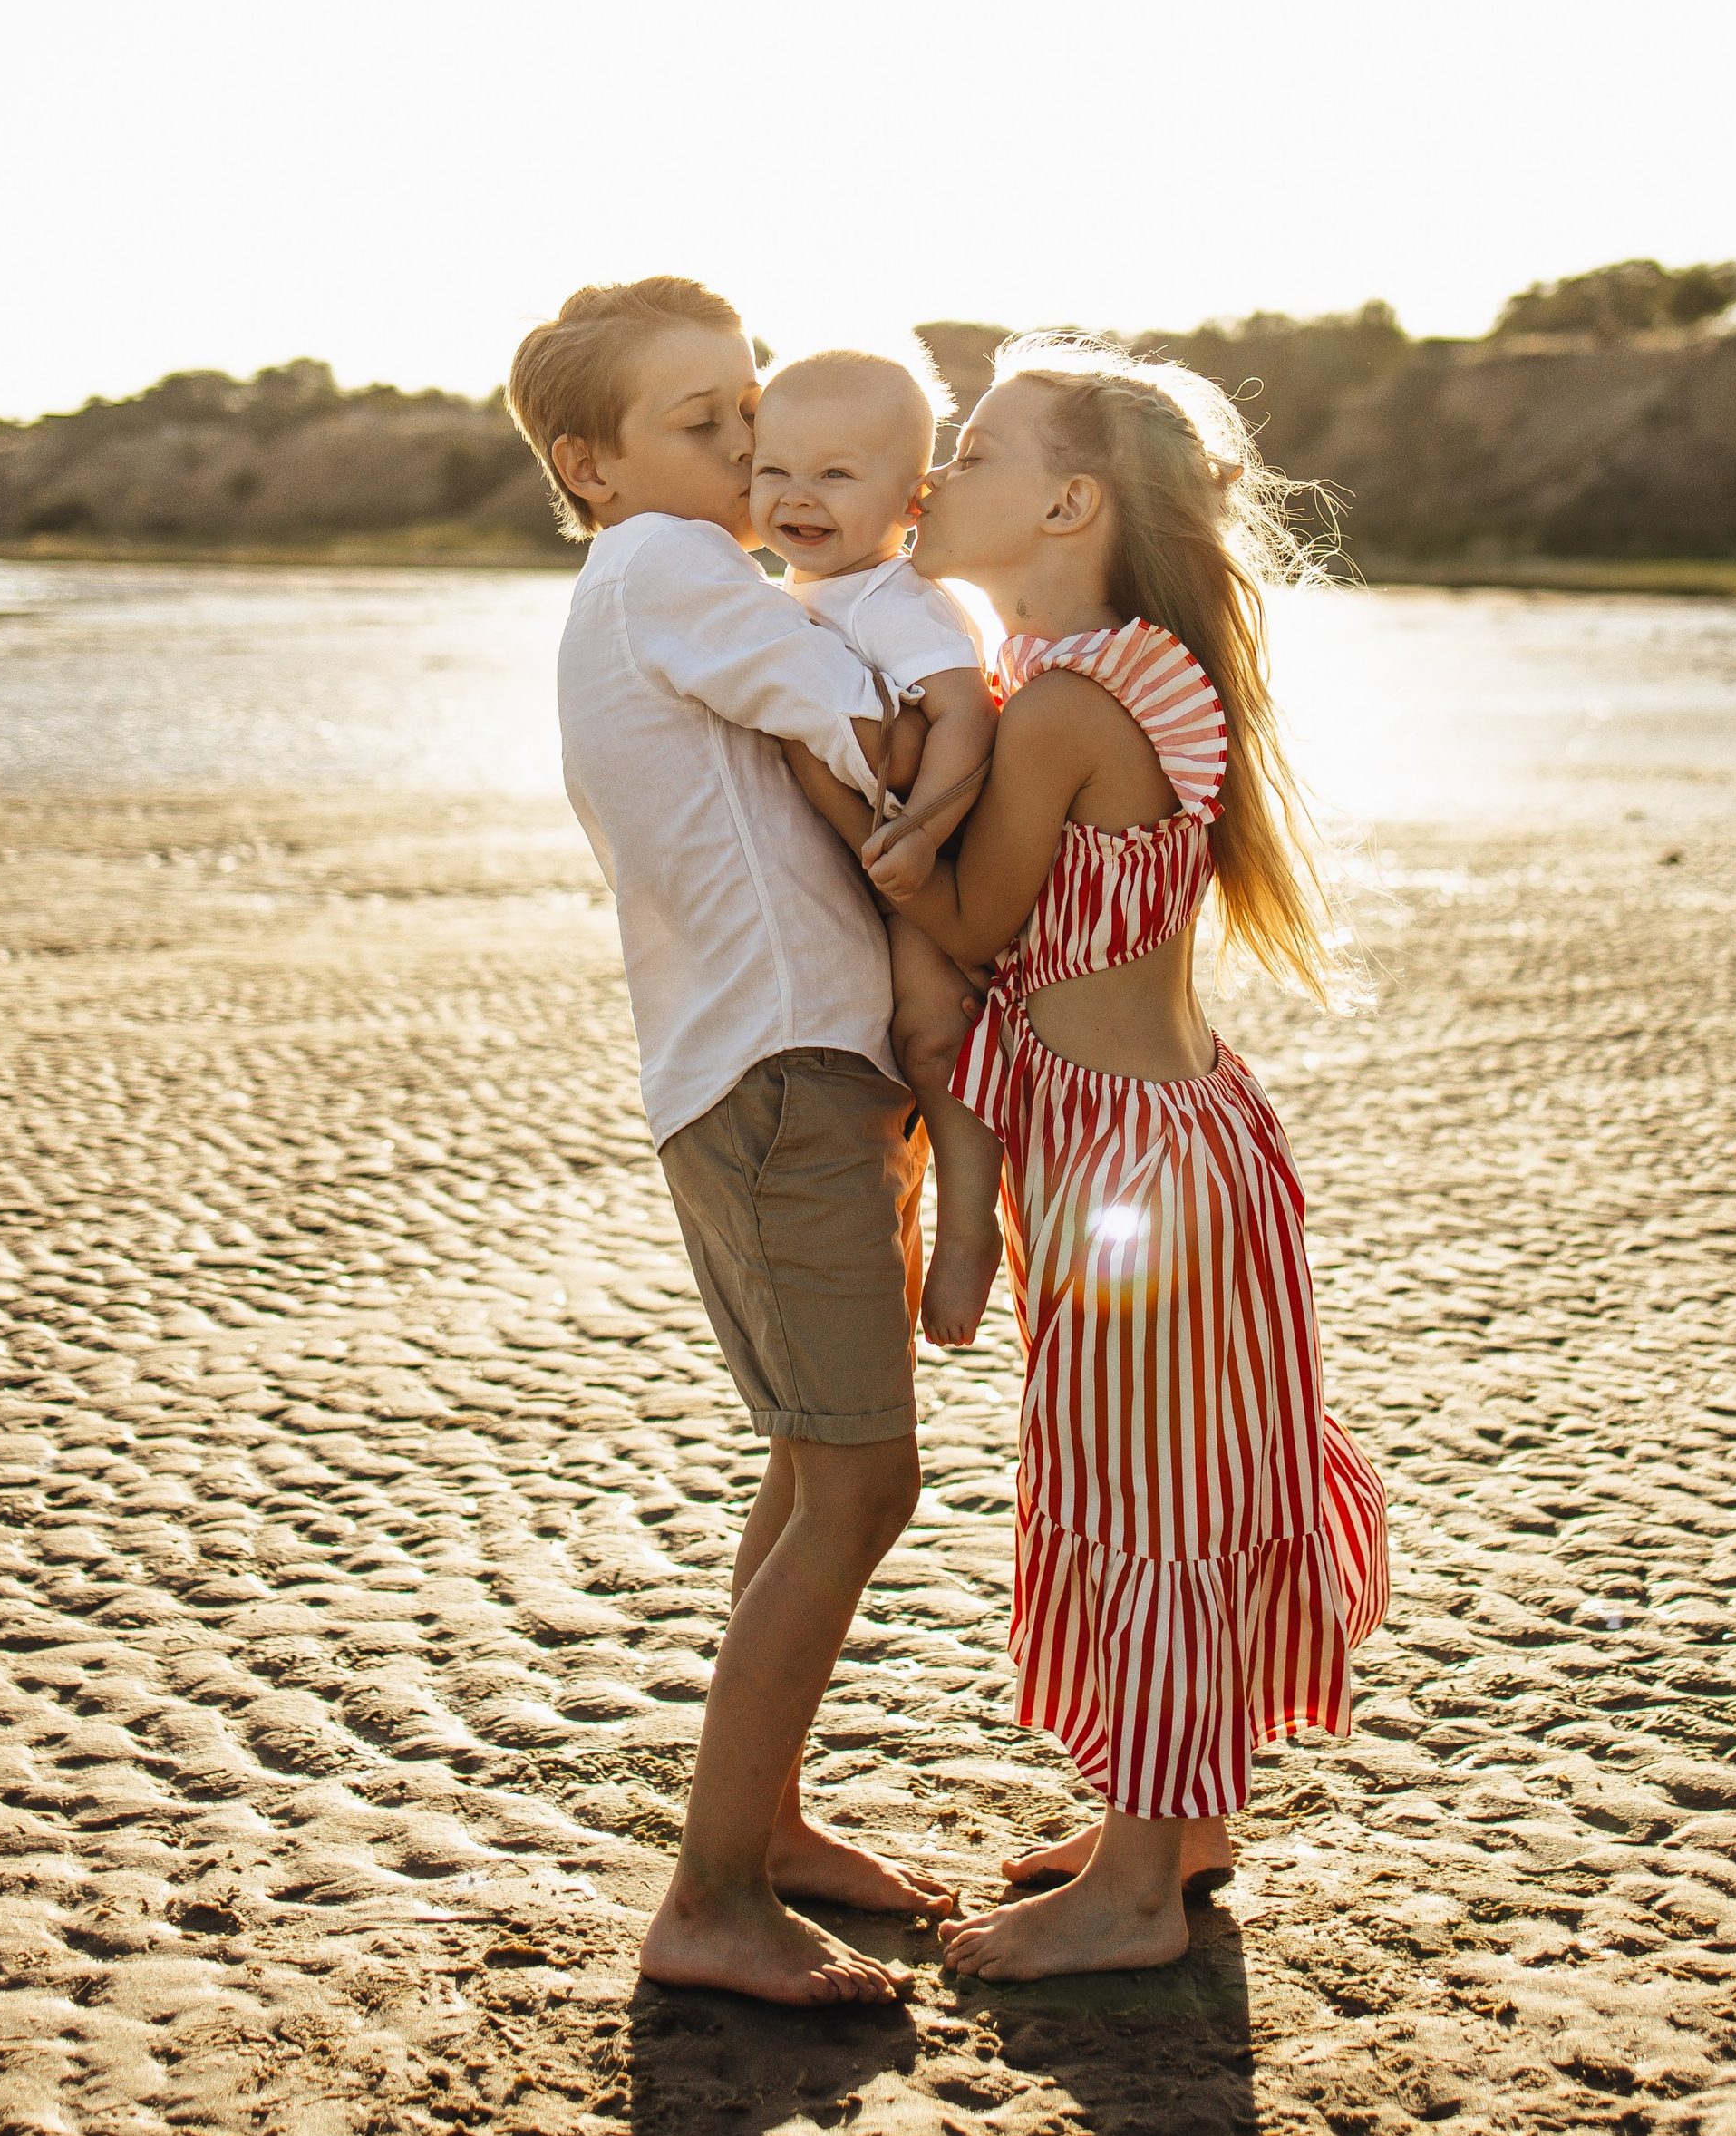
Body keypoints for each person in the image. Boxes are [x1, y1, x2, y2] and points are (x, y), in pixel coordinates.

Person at [787, 336, 1389, 1982]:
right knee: (1191, 1475)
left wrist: (820, 781)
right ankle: (1179, 1828)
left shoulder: (1062, 703)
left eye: (975, 451)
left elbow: (975, 926)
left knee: (1146, 1499)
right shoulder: (1119, 668)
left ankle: (1133, 1893)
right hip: (1187, 1141)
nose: (936, 476)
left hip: (1130, 1168)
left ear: (1068, 505)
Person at [505, 274, 955, 2010]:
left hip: (771, 1070)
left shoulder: (648, 581)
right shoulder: (668, 566)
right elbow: (852, 715)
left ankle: (762, 1829)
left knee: (806, 1457)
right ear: (594, 467)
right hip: (778, 1076)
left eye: (752, 415)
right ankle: (708, 1899)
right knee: (862, 1478)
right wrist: (958, 724)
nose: (751, 455)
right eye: (706, 426)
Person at [750, 348, 1007, 1348]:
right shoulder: (789, 597)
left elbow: (966, 714)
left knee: (932, 1037)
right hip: (868, 855)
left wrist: (924, 829)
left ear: (909, 502)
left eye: (835, 474)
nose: (797, 495)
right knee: (891, 1060)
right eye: (774, 469)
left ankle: (969, 1228)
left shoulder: (892, 599)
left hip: (940, 846)